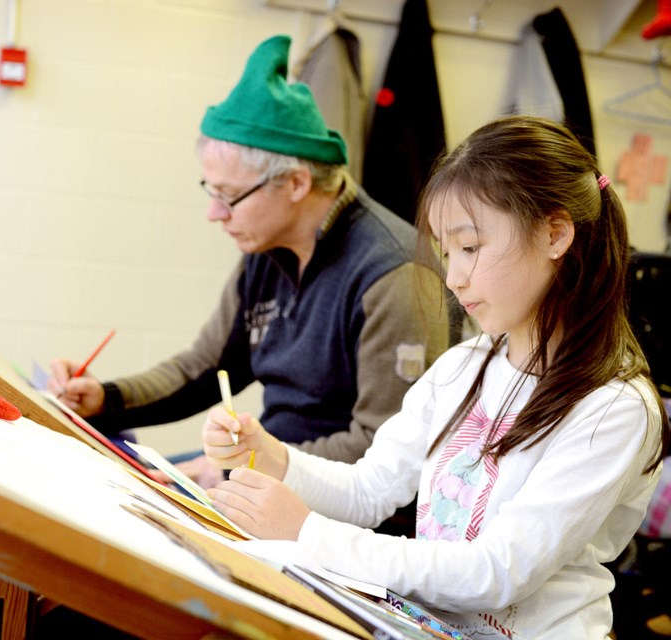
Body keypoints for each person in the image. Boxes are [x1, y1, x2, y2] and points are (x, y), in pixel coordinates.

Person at [202, 115, 671, 639]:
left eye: (471, 248)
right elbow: (369, 488)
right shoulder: (464, 365)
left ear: (555, 233)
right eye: (449, 254)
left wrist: (307, 533)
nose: (453, 277)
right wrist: (274, 457)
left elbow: (497, 571)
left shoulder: (614, 408)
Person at [48, 34, 455, 493]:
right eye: (211, 191)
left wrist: (236, 468)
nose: (214, 213)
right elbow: (201, 369)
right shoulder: (266, 250)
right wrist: (107, 398)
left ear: (297, 183)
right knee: (108, 482)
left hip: (338, 509)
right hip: (267, 472)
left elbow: (383, 455)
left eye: (228, 197)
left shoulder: (393, 275)